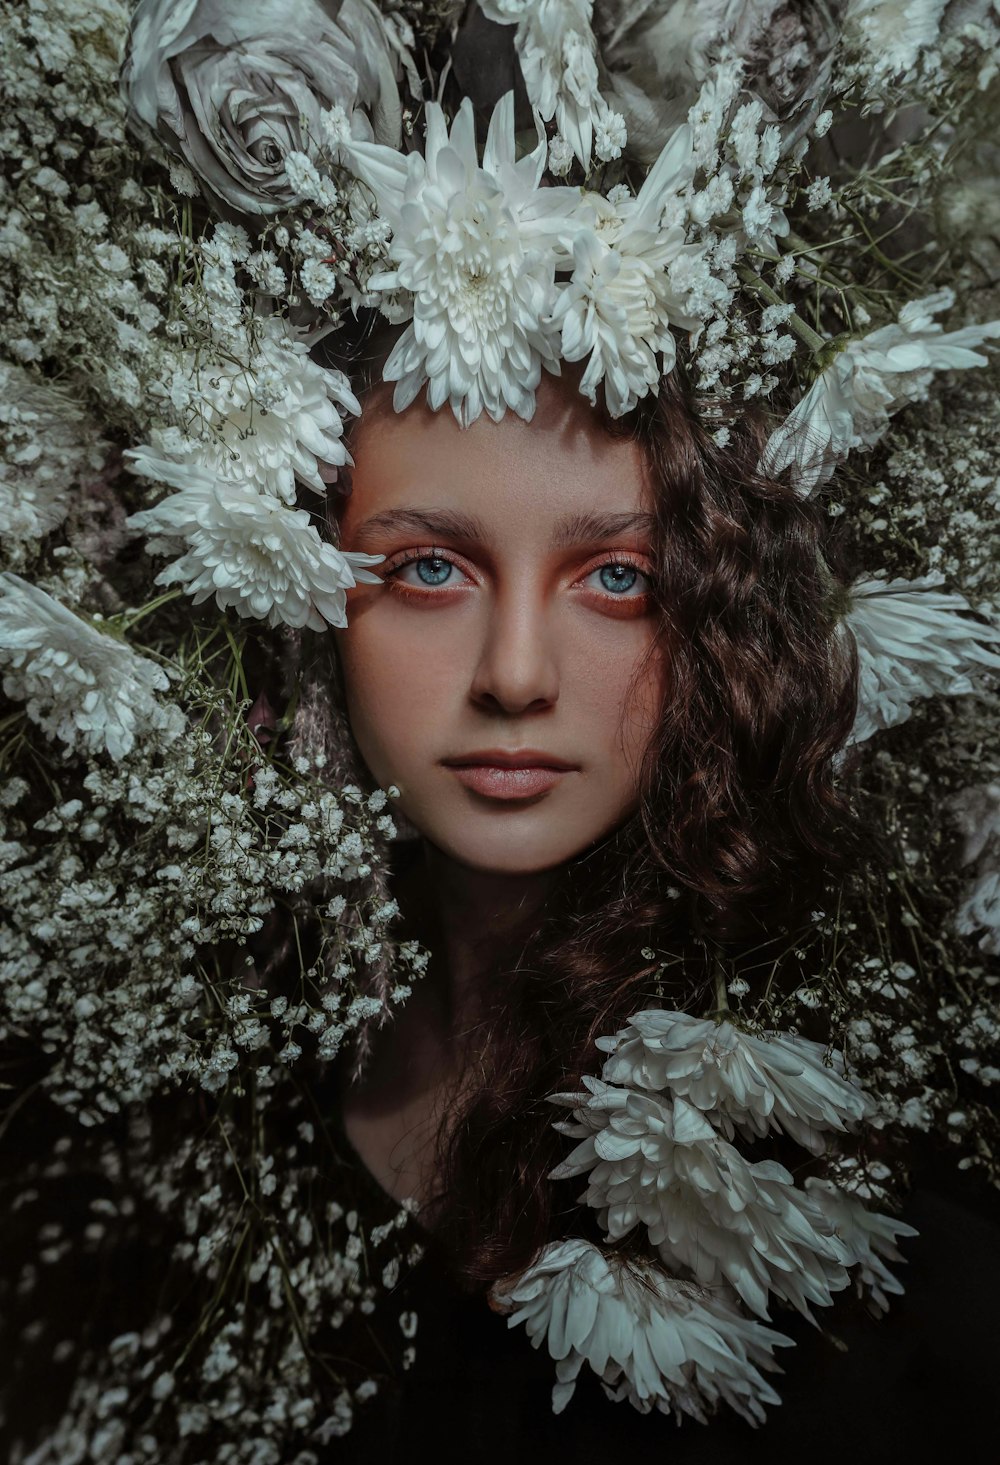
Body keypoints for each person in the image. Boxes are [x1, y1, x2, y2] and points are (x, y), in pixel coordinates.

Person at [258, 313, 995, 1460]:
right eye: (430, 569)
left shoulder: (841, 1174)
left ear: (722, 617)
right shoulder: (220, 1092)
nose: (513, 675)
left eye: (617, 577)